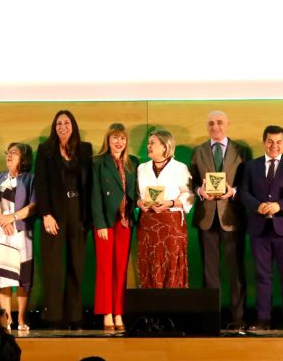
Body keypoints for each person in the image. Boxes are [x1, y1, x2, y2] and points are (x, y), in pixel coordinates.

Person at [238, 125, 283, 330]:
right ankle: (263, 319)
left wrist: (279, 205)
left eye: (279, 142)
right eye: (270, 141)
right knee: (262, 276)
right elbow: (243, 192)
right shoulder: (251, 166)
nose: (274, 145)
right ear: (263, 142)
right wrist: (257, 206)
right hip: (259, 229)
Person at [189, 110, 250, 328]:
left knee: (235, 272)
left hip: (232, 217)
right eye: (211, 123)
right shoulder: (198, 151)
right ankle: (211, 319)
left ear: (228, 124)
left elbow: (248, 183)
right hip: (206, 218)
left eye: (220, 122)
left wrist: (233, 191)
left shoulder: (241, 151)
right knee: (209, 272)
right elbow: (192, 182)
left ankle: (238, 319)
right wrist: (199, 191)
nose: (215, 126)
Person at [34, 109, 94, 327]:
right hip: (54, 214)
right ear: (54, 127)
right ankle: (53, 316)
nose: (62, 127)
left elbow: (90, 183)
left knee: (76, 264)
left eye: (66, 123)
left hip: (78, 211)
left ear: (73, 126)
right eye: (59, 123)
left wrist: (89, 217)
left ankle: (74, 315)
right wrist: (45, 214)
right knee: (53, 266)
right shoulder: (45, 150)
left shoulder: (85, 149)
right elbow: (40, 184)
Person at [90, 123, 138, 331]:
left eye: (122, 138)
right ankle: (107, 312)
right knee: (105, 268)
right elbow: (95, 195)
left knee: (121, 269)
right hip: (106, 222)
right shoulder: (98, 162)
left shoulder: (133, 162)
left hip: (125, 221)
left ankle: (119, 312)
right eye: (115, 138)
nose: (119, 142)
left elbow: (136, 192)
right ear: (108, 140)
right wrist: (100, 223)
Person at [0, 142, 35, 331]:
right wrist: (1, 219)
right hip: (0, 231)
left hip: (21, 232)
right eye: (8, 152)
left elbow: (34, 205)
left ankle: (21, 318)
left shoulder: (31, 179)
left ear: (24, 158)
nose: (9, 155)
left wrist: (11, 218)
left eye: (14, 153)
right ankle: (6, 319)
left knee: (23, 276)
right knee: (2, 277)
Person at [136, 128, 191, 288]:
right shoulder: (141, 168)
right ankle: (151, 304)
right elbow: (136, 195)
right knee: (149, 265)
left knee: (172, 266)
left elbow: (189, 194)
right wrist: (139, 203)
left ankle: (172, 303)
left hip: (171, 226)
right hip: (148, 225)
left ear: (165, 147)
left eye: (152, 143)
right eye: (148, 143)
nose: (148, 146)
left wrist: (170, 203)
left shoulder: (180, 168)